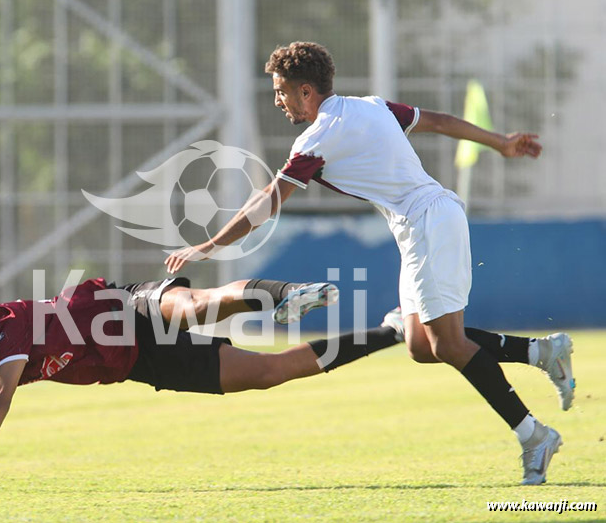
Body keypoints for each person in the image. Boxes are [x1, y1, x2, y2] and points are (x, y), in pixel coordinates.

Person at [164, 41, 573, 485]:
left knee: (449, 344)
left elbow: (267, 203)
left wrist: (209, 245)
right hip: (423, 221)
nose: (278, 100)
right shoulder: (370, 106)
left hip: (427, 222)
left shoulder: (318, 138)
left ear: (306, 92)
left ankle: (533, 435)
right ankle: (541, 351)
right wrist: (499, 142)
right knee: (420, 344)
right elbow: (437, 121)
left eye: (281, 90)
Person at [0, 276, 404, 495]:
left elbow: (1, 400)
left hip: (122, 308)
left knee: (195, 304)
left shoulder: (7, 331)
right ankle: (393, 330)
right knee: (270, 373)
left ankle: (289, 294)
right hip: (142, 362)